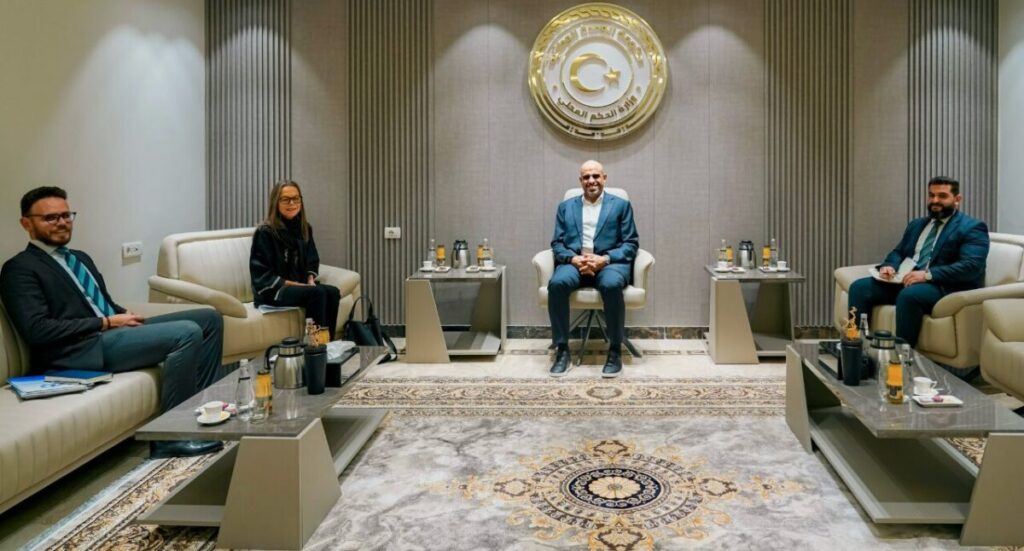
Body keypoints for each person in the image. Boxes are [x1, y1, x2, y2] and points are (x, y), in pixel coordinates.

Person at [0, 187, 224, 458]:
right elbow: (37, 330)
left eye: (66, 215)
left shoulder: (79, 257)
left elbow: (100, 302)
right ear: (26, 223)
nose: (62, 222)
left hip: (107, 334)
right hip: (78, 350)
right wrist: (105, 322)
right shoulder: (19, 268)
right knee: (186, 332)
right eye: (50, 218)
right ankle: (170, 437)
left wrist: (123, 315)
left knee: (209, 318)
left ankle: (201, 411)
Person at [847, 176, 989, 375]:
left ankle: (900, 362)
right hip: (906, 279)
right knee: (859, 287)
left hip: (942, 285)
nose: (935, 201)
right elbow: (899, 252)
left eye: (942, 196)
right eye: (931, 195)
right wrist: (889, 266)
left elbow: (971, 266)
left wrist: (928, 275)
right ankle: (855, 352)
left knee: (910, 296)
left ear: (957, 199)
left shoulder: (972, 227)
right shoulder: (917, 224)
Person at [548, 160, 639, 378]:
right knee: (557, 283)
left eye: (596, 176)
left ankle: (615, 350)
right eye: (586, 177)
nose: (591, 181)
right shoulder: (565, 207)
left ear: (604, 178)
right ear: (580, 181)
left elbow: (630, 243)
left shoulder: (621, 205)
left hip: (609, 263)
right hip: (576, 262)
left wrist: (604, 259)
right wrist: (573, 259)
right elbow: (557, 243)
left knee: (611, 284)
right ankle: (562, 350)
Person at [250, 180, 341, 339]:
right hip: (273, 290)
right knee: (317, 294)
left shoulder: (304, 228)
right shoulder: (265, 232)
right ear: (276, 202)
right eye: (286, 199)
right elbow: (262, 274)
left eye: (296, 199)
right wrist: (299, 285)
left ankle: (326, 343)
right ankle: (314, 346)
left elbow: (312, 258)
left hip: (299, 286)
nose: (292, 203)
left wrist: (310, 280)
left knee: (333, 292)